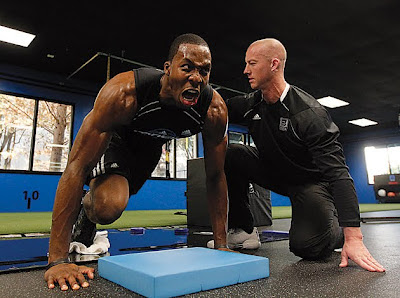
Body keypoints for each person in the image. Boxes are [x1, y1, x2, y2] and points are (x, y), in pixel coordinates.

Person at [44, 33, 230, 291]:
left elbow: (216, 176)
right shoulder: (124, 93)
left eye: (204, 71)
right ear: (167, 69)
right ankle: (88, 212)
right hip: (116, 141)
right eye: (186, 68)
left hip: (149, 150)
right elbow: (77, 167)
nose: (196, 78)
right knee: (109, 207)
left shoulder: (213, 110)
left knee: (122, 195)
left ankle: (94, 210)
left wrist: (221, 247)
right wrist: (57, 260)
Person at [208, 38, 385, 272]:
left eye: (252, 63)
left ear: (274, 65)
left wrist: (354, 237)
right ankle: (244, 230)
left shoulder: (308, 114)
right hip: (278, 174)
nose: (245, 70)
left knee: (307, 247)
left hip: (311, 183)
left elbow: (339, 175)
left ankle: (337, 232)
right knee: (233, 155)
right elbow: (216, 108)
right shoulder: (253, 103)